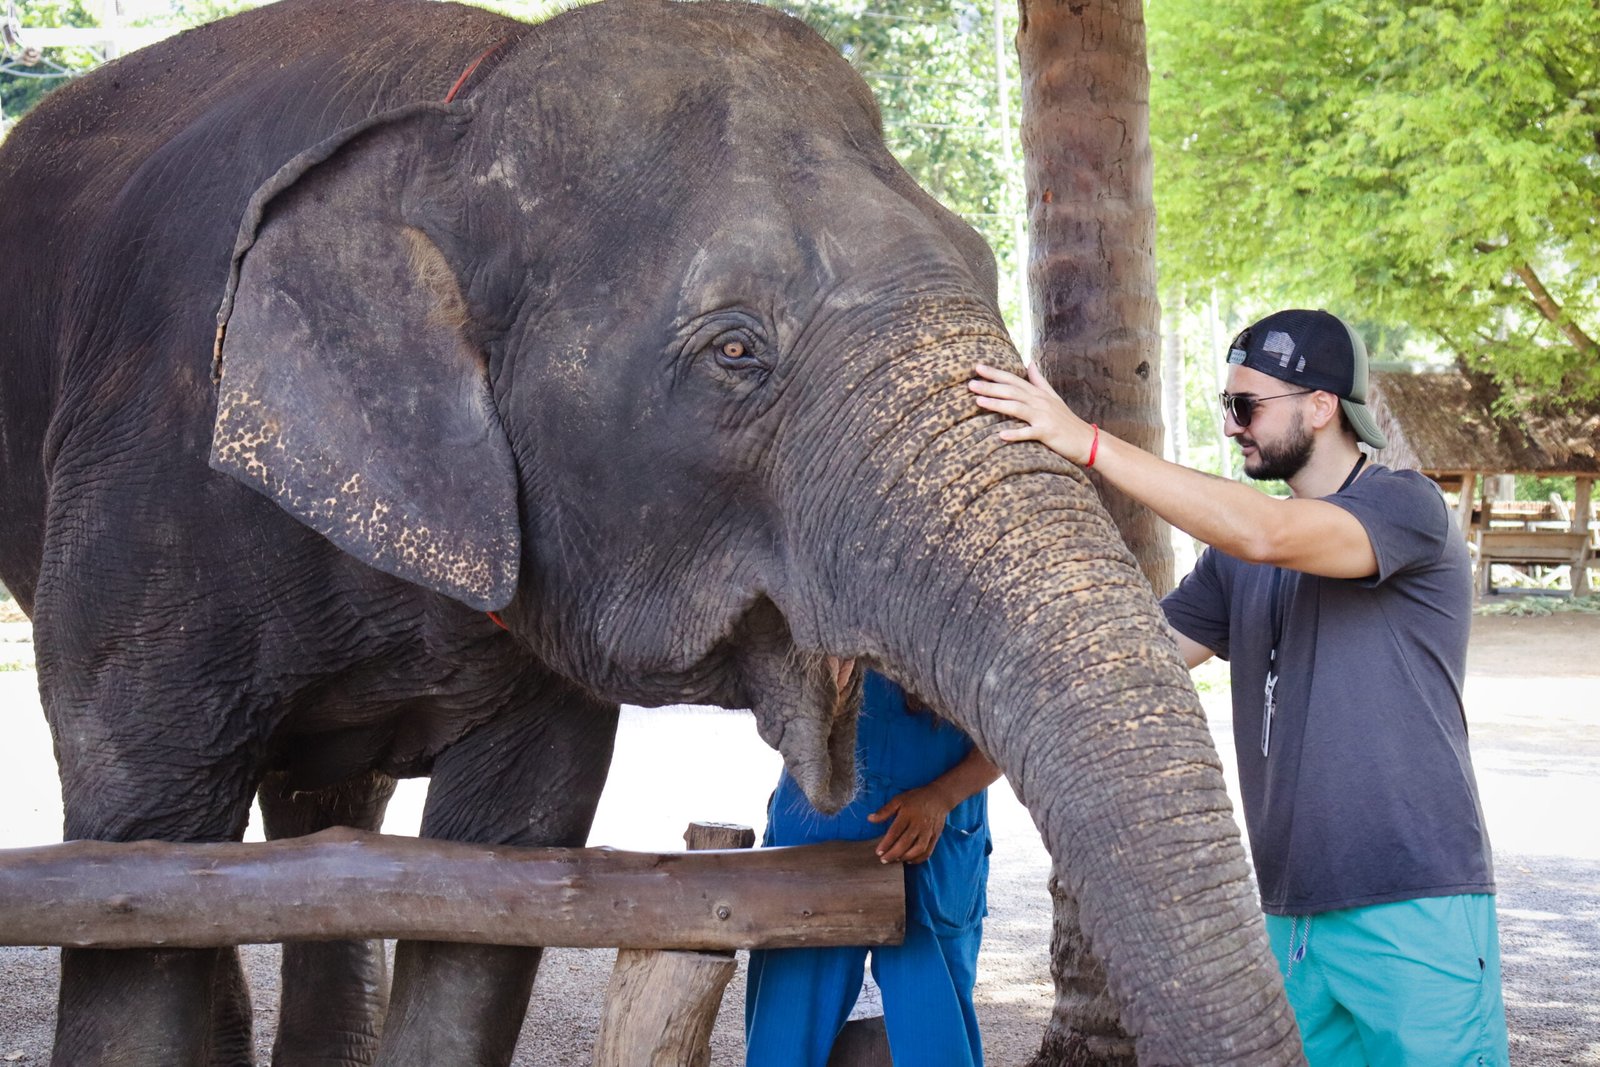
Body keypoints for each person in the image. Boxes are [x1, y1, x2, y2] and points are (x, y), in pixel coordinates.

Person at [969, 309, 1507, 1066]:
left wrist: (1086, 441)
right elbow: (1114, 666)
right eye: (1228, 407)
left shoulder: (1406, 506)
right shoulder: (1236, 565)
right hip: (1291, 922)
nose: (1232, 427)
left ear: (1322, 406)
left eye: (1246, 406)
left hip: (1413, 902)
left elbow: (1270, 533)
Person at [744, 670, 1001, 1067]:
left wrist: (942, 796)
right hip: (816, 832)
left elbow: (1013, 726)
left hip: (933, 844)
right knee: (783, 1040)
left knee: (937, 1038)